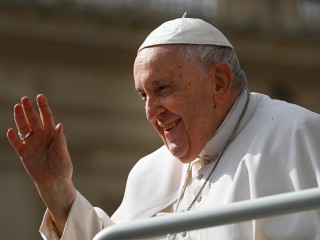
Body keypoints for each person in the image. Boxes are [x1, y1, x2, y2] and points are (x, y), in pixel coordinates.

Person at [7, 16, 320, 240]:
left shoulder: (292, 135)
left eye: (163, 89)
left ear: (219, 82)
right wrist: (57, 189)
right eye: (143, 95)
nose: (149, 111)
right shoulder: (149, 171)